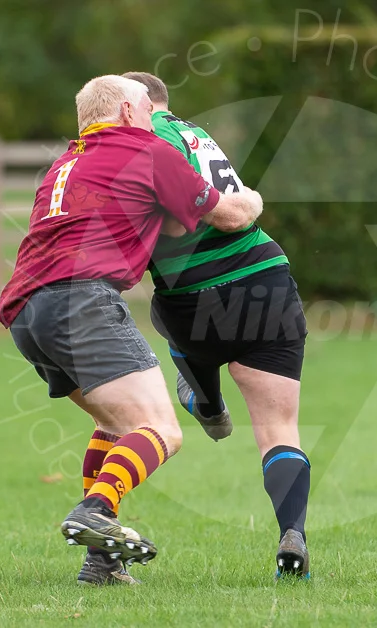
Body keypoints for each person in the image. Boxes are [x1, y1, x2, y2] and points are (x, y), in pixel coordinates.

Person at [0, 75, 264, 586]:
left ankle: (102, 563)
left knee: (117, 426)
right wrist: (251, 198)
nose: (152, 121)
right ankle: (93, 509)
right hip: (82, 301)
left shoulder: (63, 164)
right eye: (146, 111)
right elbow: (226, 216)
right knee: (161, 430)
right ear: (124, 110)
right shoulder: (148, 150)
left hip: (25, 313)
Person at [121, 71, 312, 579]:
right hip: (267, 275)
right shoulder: (195, 134)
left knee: (169, 318)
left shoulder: (146, 138)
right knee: (278, 430)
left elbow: (186, 215)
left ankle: (205, 399)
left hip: (195, 293)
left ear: (141, 103)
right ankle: (292, 532)